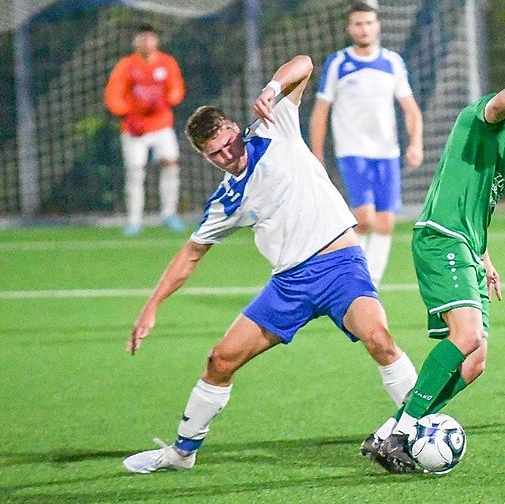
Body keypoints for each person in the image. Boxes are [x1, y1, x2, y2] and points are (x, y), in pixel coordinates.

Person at [121, 55, 418, 474]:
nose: (227, 154)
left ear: (233, 128)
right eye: (215, 154)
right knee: (220, 360)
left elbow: (305, 63)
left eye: (228, 142)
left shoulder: (272, 124)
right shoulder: (227, 200)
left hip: (340, 266)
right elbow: (190, 254)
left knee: (380, 340)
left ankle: (421, 427)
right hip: (289, 285)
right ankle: (181, 453)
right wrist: (151, 306)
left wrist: (272, 89)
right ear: (205, 158)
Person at [364, 48, 505, 473]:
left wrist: (485, 256)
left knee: (475, 361)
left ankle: (389, 430)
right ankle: (404, 432)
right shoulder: (491, 115)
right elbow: (500, 103)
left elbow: (481, 200)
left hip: (466, 245)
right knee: (465, 335)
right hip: (441, 237)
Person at [310, 1, 424, 288]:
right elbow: (320, 111)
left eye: (369, 23)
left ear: (378, 26)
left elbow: (411, 110)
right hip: (352, 150)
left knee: (386, 222)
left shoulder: (393, 62)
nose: (365, 29)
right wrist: (316, 155)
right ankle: (350, 273)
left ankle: (370, 282)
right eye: (359, 24)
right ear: (350, 29)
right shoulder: (338, 63)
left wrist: (416, 143)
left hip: (386, 151)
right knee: (364, 219)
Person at [104, 24, 187, 236]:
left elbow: (177, 89)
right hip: (135, 129)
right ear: (135, 42)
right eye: (142, 39)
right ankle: (134, 220)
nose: (146, 42)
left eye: (150, 38)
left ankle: (168, 214)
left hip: (161, 125)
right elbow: (113, 95)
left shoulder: (167, 63)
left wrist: (168, 100)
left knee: (170, 163)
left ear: (156, 41)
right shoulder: (126, 65)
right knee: (135, 171)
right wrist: (126, 114)